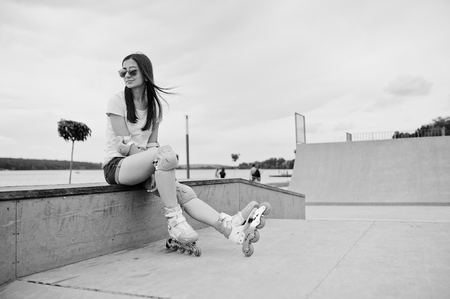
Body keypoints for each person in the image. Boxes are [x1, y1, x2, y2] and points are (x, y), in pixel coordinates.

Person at [102, 52, 260, 254]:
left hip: (144, 165)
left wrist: (156, 163)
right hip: (118, 166)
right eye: (123, 71)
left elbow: (152, 146)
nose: (127, 75)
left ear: (145, 73)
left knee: (184, 193)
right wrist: (157, 158)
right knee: (165, 155)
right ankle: (175, 222)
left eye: (132, 71)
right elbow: (122, 144)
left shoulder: (154, 108)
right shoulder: (116, 101)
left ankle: (228, 225)